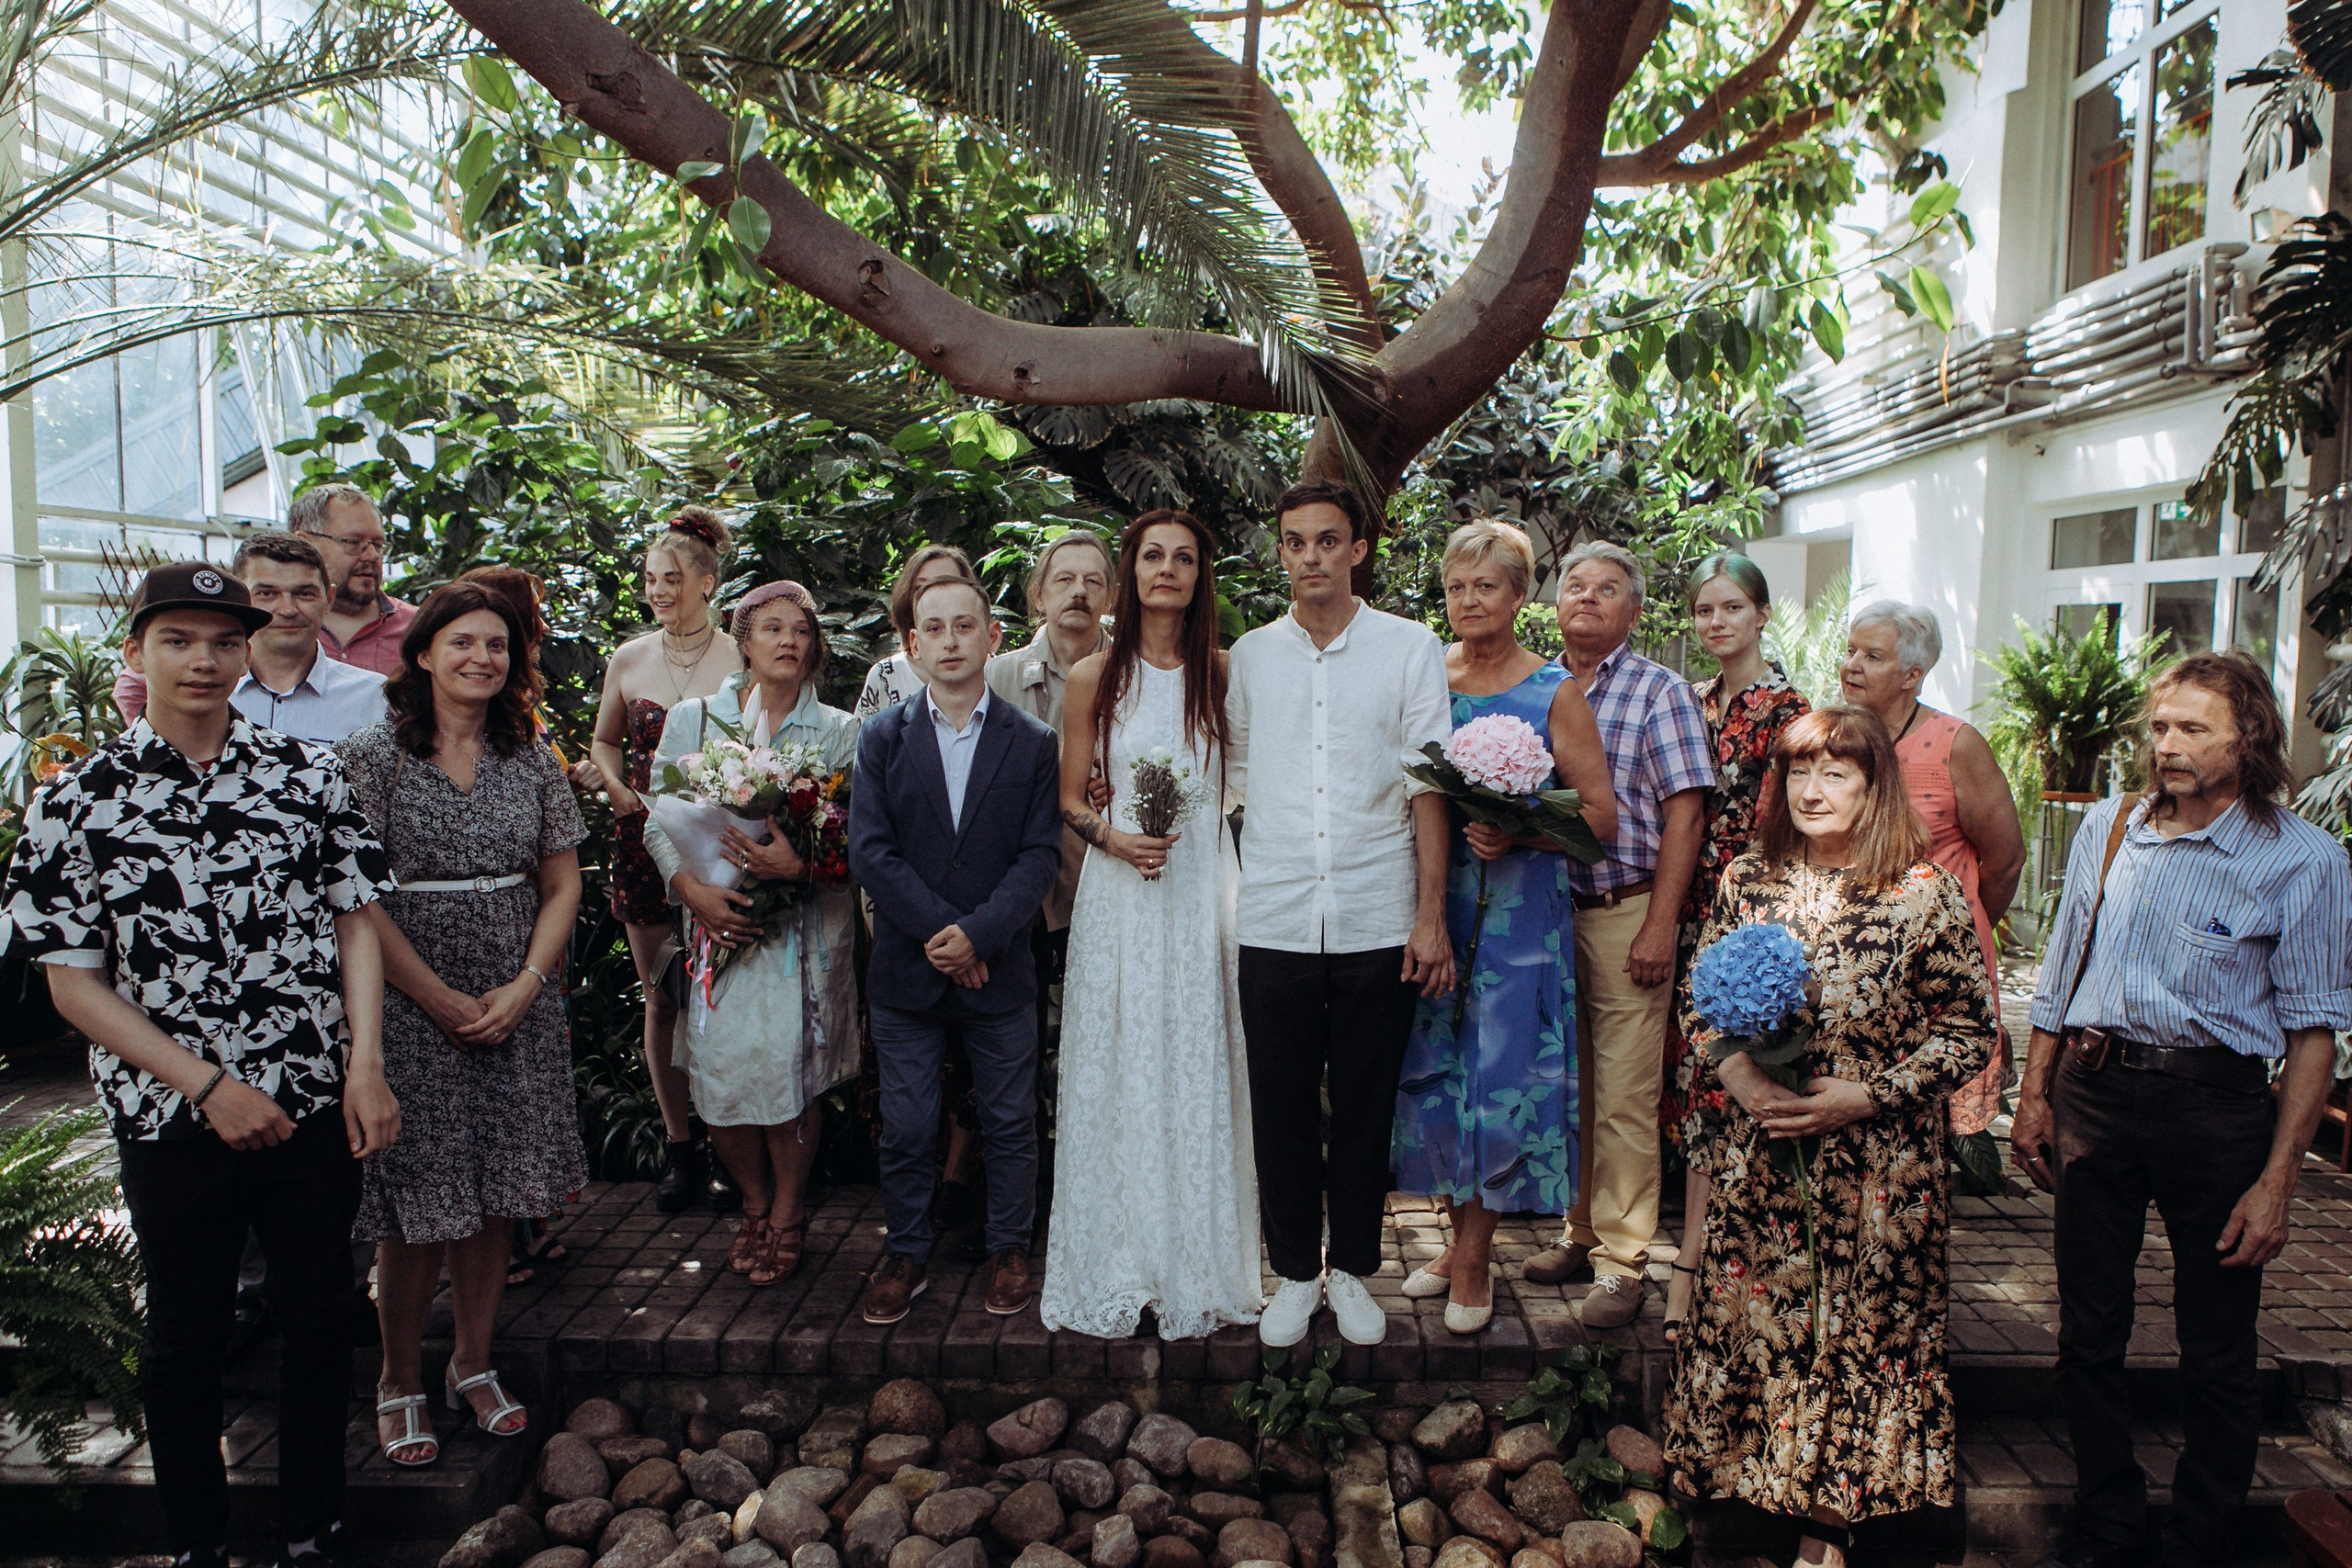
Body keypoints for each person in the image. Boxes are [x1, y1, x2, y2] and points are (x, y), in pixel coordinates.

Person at [0, 560, 399, 1568]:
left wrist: (366, 1066)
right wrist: (208, 1088)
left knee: (318, 1325)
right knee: (183, 1335)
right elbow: (73, 986)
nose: (205, 659)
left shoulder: (306, 774)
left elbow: (356, 920)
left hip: (313, 1097)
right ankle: (195, 1542)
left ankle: (316, 1524)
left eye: (223, 640)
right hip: (173, 1120)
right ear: (135, 654)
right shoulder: (75, 801)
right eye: (179, 639)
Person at [2010, 652, 2352, 1568]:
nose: (2166, 745)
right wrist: (2032, 1093)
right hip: (2093, 1092)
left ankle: (2198, 1542)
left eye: (2192, 728)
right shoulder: (2112, 826)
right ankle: (2109, 1524)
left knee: (2216, 1347)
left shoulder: (2303, 860)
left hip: (2216, 1109)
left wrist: (2279, 1180)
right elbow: (2062, 966)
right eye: (2159, 726)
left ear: (2248, 741)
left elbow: (2314, 1031)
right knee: (2087, 1331)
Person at [1661, 705, 1998, 1568]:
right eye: (1798, 772)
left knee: (1858, 1335)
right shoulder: (1747, 880)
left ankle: (1829, 1523)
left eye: (1836, 773)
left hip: (1879, 1175)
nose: (1812, 791)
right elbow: (1702, 1002)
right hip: (1764, 1160)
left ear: (1874, 784)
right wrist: (1742, 1079)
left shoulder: (1924, 892)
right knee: (1767, 1324)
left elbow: (1968, 1032)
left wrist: (1868, 1096)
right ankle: (1752, 1493)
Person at [335, 582, 587, 1465]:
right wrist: (435, 996)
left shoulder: (532, 756)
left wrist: (525, 984)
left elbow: (563, 883)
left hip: (515, 995)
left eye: (498, 646)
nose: (483, 659)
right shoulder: (374, 756)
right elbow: (354, 900)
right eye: (464, 643)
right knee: (418, 1201)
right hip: (407, 998)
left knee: (498, 1192)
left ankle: (474, 1363)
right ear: (424, 653)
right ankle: (400, 1375)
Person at [1227, 479, 1453, 1349]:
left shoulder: (1407, 646)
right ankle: (1292, 1272)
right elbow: (1235, 775)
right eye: (1295, 541)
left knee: (1364, 1103)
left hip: (1377, 908)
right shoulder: (1250, 654)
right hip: (1275, 912)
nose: (1311, 556)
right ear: (1280, 551)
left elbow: (1429, 779)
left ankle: (1353, 1269)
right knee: (1279, 1101)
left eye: (1328, 539)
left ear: (1358, 548)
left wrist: (1428, 913)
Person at [1391, 520, 1617, 1335]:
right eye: (1455, 587)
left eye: (1486, 585)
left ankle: (1478, 1258)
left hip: (1520, 919)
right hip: (1434, 904)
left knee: (1498, 1079)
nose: (1467, 601)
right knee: (1440, 1076)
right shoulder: (1429, 676)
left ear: (1521, 596)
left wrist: (1517, 829)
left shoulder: (1553, 690)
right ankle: (1453, 1245)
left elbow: (1600, 818)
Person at [1040, 511, 1261, 1340]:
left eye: (1184, 557)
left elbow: (1250, 780)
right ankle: (1120, 1260)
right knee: (1124, 1060)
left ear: (1201, 576)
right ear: (1129, 572)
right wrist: (1114, 836)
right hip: (1121, 891)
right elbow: (1069, 797)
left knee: (1196, 1058)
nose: (1167, 569)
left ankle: (1198, 1265)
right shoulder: (1095, 676)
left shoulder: (1225, 673)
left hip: (1203, 887)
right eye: (1152, 556)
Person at [849, 576, 1063, 1324]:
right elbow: (871, 852)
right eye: (932, 628)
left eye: (962, 626)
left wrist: (980, 934)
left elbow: (1040, 855)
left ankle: (1009, 1247)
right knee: (908, 1122)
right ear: (912, 644)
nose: (948, 640)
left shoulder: (1034, 742)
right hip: (909, 968)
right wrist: (946, 933)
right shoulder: (880, 738)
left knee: (1008, 1119)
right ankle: (905, 1251)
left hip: (1000, 963)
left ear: (992, 635)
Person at [643, 581, 860, 1286]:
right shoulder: (695, 720)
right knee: (721, 1079)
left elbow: (857, 834)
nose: (789, 641)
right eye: (773, 628)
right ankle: (755, 1203)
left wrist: (799, 864)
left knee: (790, 1079)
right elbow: (657, 818)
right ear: (744, 640)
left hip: (800, 936)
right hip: (718, 933)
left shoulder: (838, 731)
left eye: (801, 629)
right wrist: (695, 892)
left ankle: (790, 1211)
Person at [1522, 540, 1713, 1330]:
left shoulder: (1658, 691)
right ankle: (1580, 1230)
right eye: (1576, 586)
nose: (1588, 599)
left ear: (1633, 612)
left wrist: (1661, 924)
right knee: (1570, 1088)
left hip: (1627, 909)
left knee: (1627, 1096)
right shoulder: (1535, 685)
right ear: (1555, 601)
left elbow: (1686, 812)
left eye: (1608, 590)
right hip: (1542, 910)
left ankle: (1622, 1263)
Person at [578, 510, 745, 1213]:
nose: (658, 589)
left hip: (720, 842)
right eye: (649, 579)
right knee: (663, 992)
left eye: (672, 578)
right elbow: (605, 742)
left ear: (707, 582)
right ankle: (681, 1146)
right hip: (642, 839)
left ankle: (734, 1145)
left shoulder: (739, 653)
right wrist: (616, 790)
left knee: (728, 994)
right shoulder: (630, 657)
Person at [1663, 552, 1811, 1335]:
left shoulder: (1787, 708)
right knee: (1690, 1086)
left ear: (1761, 614)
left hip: (1750, 913)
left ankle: (1702, 1262)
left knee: (1729, 1081)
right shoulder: (1687, 699)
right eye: (1704, 610)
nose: (1716, 622)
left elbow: (1791, 820)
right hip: (1682, 903)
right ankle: (1697, 1251)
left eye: (1731, 608)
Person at [1838, 600, 2025, 1134]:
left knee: (1927, 1105)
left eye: (1872, 656)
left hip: (1936, 960)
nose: (1852, 665)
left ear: (1912, 675)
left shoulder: (1955, 745)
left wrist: (1962, 926)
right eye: (1850, 650)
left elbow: (2006, 858)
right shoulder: (1839, 737)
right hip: (1854, 953)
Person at [987, 529, 1114, 1078]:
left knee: (1101, 1041)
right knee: (1021, 1048)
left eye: (1093, 581)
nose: (1078, 592)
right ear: (1038, 593)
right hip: (1018, 894)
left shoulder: (1139, 670)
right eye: (1064, 579)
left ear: (1111, 596)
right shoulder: (996, 677)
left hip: (1108, 885)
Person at [108, 533, 388, 735]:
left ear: (329, 598)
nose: (288, 609)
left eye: (304, 594)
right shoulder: (198, 689)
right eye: (266, 593)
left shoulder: (376, 698)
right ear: (239, 598)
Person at [289, 482, 416, 676]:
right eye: (353, 542)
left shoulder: (418, 630)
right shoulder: (273, 626)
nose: (372, 555)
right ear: (305, 544)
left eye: (378, 544)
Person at [857, 543, 982, 716]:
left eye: (946, 584)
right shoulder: (885, 675)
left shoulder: (996, 671)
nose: (934, 595)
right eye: (921, 588)